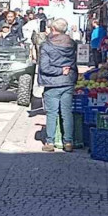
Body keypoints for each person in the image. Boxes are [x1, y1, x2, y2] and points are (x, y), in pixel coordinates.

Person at [38, 18, 77, 152]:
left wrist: (59, 70)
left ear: (53, 29)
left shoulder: (47, 45)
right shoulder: (72, 44)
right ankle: (68, 142)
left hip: (52, 83)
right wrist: (65, 71)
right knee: (67, 112)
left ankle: (50, 142)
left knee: (51, 113)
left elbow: (44, 67)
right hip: (68, 82)